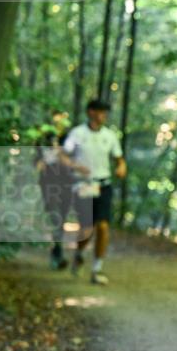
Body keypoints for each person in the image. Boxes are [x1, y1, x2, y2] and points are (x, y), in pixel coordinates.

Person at [60, 99, 127, 285]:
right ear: (90, 112)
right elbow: (63, 155)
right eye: (100, 111)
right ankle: (79, 254)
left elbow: (119, 158)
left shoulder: (110, 136)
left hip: (103, 184)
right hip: (83, 185)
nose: (103, 115)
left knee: (103, 225)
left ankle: (97, 269)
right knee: (87, 228)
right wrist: (75, 166)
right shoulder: (77, 133)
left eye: (105, 112)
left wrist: (121, 167)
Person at [34, 110, 72, 269]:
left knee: (61, 219)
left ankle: (56, 250)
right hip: (49, 184)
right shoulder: (42, 140)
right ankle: (58, 253)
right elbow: (37, 164)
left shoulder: (71, 139)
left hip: (66, 184)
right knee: (55, 216)